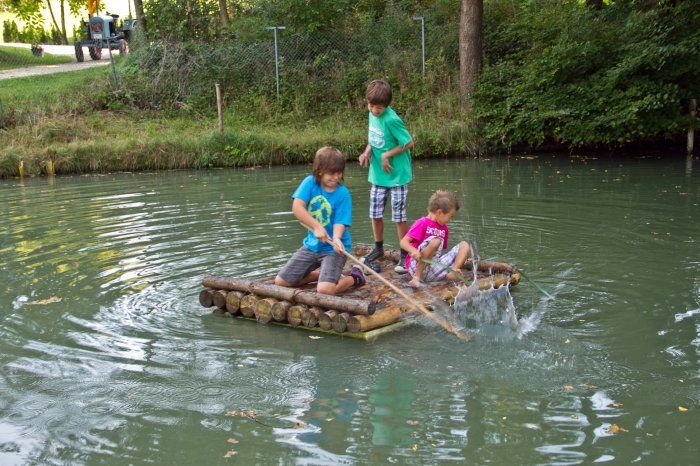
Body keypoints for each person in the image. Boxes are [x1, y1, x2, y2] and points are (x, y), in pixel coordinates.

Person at [275, 146, 366, 295]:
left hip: (333, 249)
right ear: (319, 170)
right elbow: (297, 207)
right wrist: (317, 227)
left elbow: (340, 221)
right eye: (331, 173)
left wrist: (336, 238)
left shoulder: (343, 193)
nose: (336, 177)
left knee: (325, 290)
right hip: (312, 246)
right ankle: (323, 275)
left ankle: (355, 277)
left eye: (339, 173)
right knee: (281, 282)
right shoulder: (310, 183)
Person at [358, 79, 414, 273]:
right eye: (371, 106)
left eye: (379, 108)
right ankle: (378, 248)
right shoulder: (371, 114)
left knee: (399, 217)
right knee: (375, 214)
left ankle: (405, 255)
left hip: (397, 175)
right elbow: (373, 139)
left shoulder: (391, 119)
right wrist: (367, 152)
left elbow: (409, 143)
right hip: (378, 175)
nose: (374, 111)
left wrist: (386, 155)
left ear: (387, 106)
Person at [399, 190, 471, 288]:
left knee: (464, 245)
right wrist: (413, 251)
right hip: (416, 266)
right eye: (450, 216)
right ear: (439, 212)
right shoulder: (422, 223)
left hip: (433, 267)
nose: (450, 220)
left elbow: (439, 253)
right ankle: (416, 277)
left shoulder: (444, 228)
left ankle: (453, 272)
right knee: (436, 241)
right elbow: (403, 242)